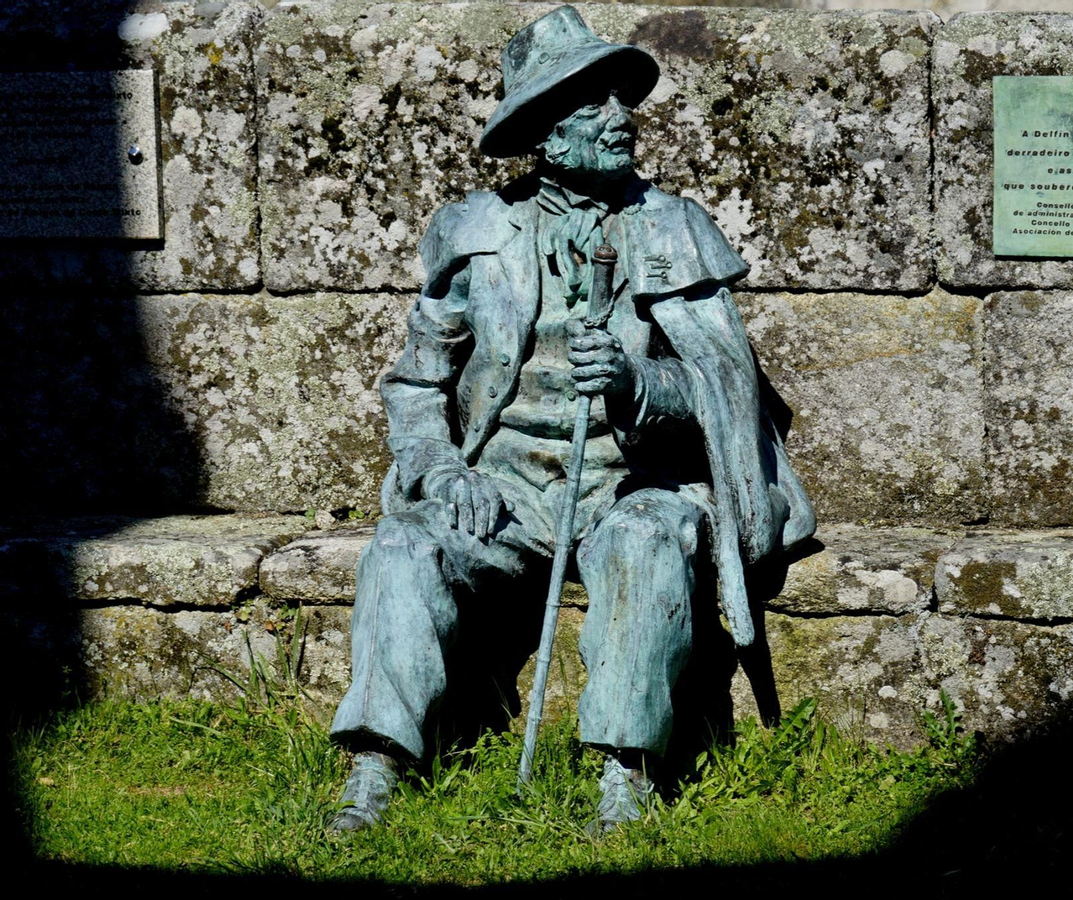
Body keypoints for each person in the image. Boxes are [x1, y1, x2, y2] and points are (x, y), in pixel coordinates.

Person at [329, 5, 814, 834]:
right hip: (506, 487)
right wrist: (444, 471)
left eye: (623, 99)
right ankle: (375, 765)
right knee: (405, 544)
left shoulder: (674, 227)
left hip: (635, 481)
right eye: (594, 104)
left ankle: (625, 774)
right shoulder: (476, 231)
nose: (622, 118)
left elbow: (729, 390)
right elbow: (415, 383)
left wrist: (638, 385)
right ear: (546, 134)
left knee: (647, 539)